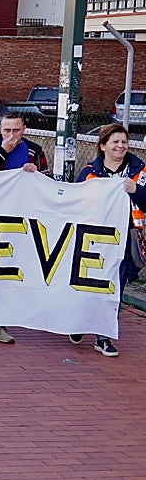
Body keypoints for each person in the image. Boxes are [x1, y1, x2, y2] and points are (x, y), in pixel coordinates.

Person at [0, 111, 49, 344]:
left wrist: (36, 175)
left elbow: (47, 182)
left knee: (5, 271)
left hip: (18, 218)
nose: (11, 135)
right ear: (0, 130)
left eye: (16, 130)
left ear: (24, 129)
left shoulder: (34, 150)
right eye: (6, 130)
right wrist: (3, 151)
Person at [72, 123, 146, 357]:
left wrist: (136, 190)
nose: (121, 146)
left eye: (124, 142)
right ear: (103, 146)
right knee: (88, 284)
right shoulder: (90, 172)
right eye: (115, 142)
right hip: (93, 239)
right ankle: (80, 322)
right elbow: (74, 202)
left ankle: (103, 336)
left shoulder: (140, 171)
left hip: (125, 239)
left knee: (115, 286)